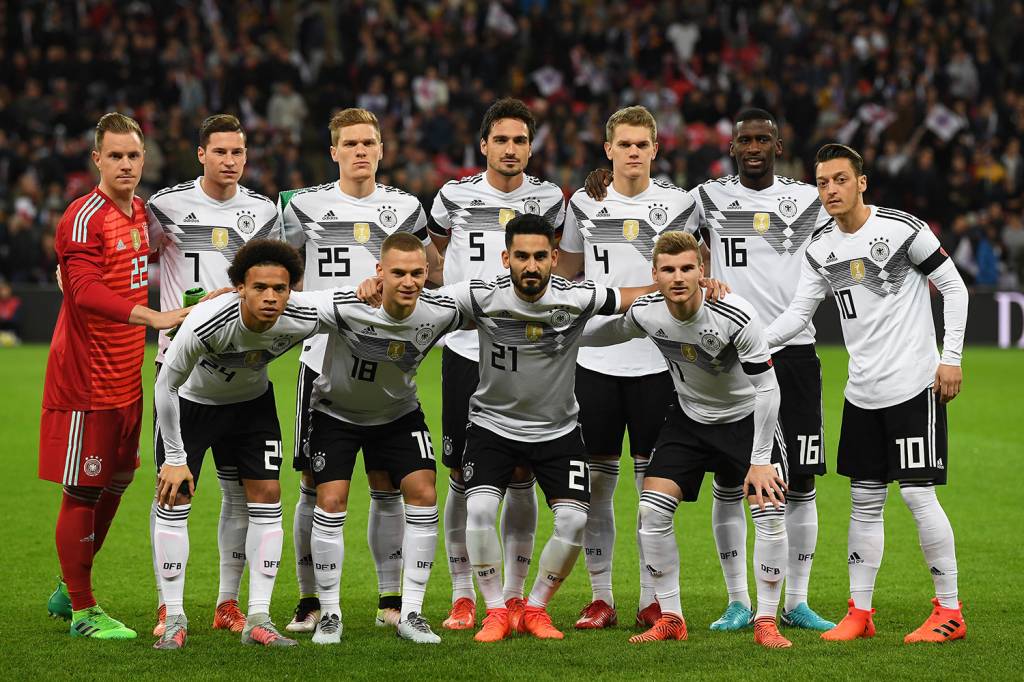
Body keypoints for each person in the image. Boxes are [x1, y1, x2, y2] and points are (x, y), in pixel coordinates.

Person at [585, 107, 833, 632]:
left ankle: (797, 601)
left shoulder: (810, 200)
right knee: (729, 485)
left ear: (778, 145)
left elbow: (841, 240)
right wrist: (607, 184)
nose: (753, 147)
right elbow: (662, 232)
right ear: (732, 147)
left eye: (763, 139)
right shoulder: (704, 197)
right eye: (744, 140)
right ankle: (740, 601)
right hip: (721, 348)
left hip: (791, 350)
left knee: (799, 481)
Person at [765, 143, 968, 644]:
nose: (830, 189)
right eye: (822, 182)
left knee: (919, 497)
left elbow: (956, 289)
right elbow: (798, 314)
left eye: (839, 179)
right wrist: (751, 341)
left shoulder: (903, 230)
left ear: (861, 182)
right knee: (864, 502)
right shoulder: (820, 247)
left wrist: (952, 358)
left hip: (913, 386)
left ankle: (949, 611)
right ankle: (860, 611)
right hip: (862, 393)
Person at [434, 213, 665, 642]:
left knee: (576, 521)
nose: (531, 265)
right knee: (480, 510)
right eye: (521, 256)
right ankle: (496, 610)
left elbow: (629, 296)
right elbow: (422, 302)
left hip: (557, 431)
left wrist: (671, 286)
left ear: (555, 257)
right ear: (505, 258)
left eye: (541, 256)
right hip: (492, 426)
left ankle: (536, 607)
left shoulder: (575, 297)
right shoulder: (480, 296)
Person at [583, 231, 794, 649]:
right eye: (668, 269)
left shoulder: (735, 314)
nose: (678, 277)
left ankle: (766, 620)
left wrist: (760, 459)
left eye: (686, 268)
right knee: (651, 512)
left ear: (702, 270)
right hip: (689, 419)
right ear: (655, 274)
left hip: (746, 419)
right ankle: (672, 617)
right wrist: (563, 333)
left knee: (769, 514)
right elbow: (612, 333)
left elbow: (769, 389)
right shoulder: (647, 312)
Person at [279, 108, 435, 632]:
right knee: (313, 483)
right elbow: (284, 276)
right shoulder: (304, 207)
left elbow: (425, 271)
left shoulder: (406, 208)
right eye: (350, 143)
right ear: (334, 151)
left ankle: (391, 598)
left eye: (369, 142)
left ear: (382, 149)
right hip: (323, 359)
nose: (361, 151)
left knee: (388, 481)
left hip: (388, 363)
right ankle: (310, 600)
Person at [41, 112, 189, 639]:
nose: (125, 164)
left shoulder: (140, 215)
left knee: (118, 480)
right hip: (86, 378)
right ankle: (83, 610)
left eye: (133, 156)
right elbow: (80, 289)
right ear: (97, 159)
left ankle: (67, 588)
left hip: (128, 375)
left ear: (143, 160)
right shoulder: (84, 216)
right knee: (82, 489)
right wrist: (153, 317)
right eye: (115, 156)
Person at [426, 97, 565, 631]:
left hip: (529, 353)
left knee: (523, 472)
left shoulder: (550, 197)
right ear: (483, 144)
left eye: (521, 141)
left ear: (531, 147)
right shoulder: (453, 195)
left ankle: (511, 595)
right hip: (465, 350)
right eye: (501, 140)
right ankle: (464, 593)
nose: (511, 150)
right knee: (464, 475)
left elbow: (560, 259)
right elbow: (436, 257)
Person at [555, 105, 696, 629]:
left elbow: (696, 270)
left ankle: (650, 599)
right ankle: (602, 598)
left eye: (643, 144)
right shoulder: (583, 204)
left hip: (659, 364)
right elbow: (567, 275)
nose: (634, 153)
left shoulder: (680, 205)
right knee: (596, 488)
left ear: (655, 150)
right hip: (594, 360)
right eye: (625, 144)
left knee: (651, 492)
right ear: (608, 149)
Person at [146, 113, 281, 637]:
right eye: (220, 152)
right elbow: (136, 256)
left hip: (245, 372)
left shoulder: (263, 211)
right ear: (201, 153)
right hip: (184, 368)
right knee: (173, 490)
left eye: (238, 153)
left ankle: (230, 604)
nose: (230, 161)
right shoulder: (166, 205)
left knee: (244, 494)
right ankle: (169, 605)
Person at [152, 239, 323, 649]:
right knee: (174, 498)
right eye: (259, 287)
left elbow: (349, 303)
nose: (270, 297)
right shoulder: (207, 321)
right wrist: (175, 458)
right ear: (239, 288)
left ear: (291, 290)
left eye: (279, 289)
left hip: (251, 407)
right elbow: (166, 384)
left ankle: (253, 615)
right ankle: (173, 615)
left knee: (265, 497)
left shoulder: (301, 315)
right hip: (191, 404)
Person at [303, 233, 464, 645]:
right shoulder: (345, 304)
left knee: (424, 493)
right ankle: (330, 614)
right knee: (331, 500)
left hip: (397, 415)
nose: (408, 282)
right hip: (335, 414)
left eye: (416, 273)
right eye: (398, 273)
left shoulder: (440, 310)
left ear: (427, 273)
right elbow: (288, 305)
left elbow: (491, 299)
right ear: (379, 272)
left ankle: (410, 611)